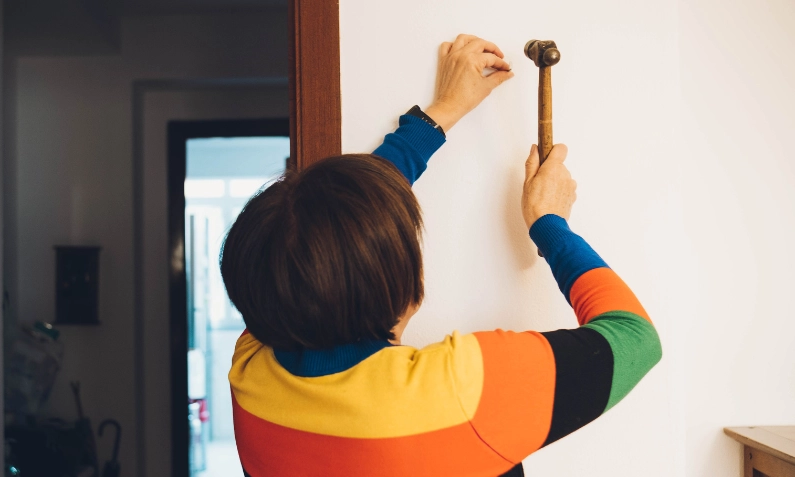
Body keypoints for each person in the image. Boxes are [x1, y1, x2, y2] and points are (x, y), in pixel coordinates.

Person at [221, 34, 662, 477]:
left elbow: (333, 230)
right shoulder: (458, 391)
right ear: (407, 287)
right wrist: (550, 225)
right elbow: (635, 338)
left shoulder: (252, 372)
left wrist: (443, 111)